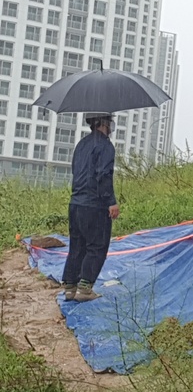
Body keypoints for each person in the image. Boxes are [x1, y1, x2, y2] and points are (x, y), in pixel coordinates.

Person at [62, 113, 120, 302]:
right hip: (94, 205)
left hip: (76, 203)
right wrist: (110, 201)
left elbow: (75, 171)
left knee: (77, 246)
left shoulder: (81, 145)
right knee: (97, 246)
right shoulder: (105, 146)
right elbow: (103, 175)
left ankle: (70, 287)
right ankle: (85, 289)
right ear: (103, 123)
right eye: (110, 121)